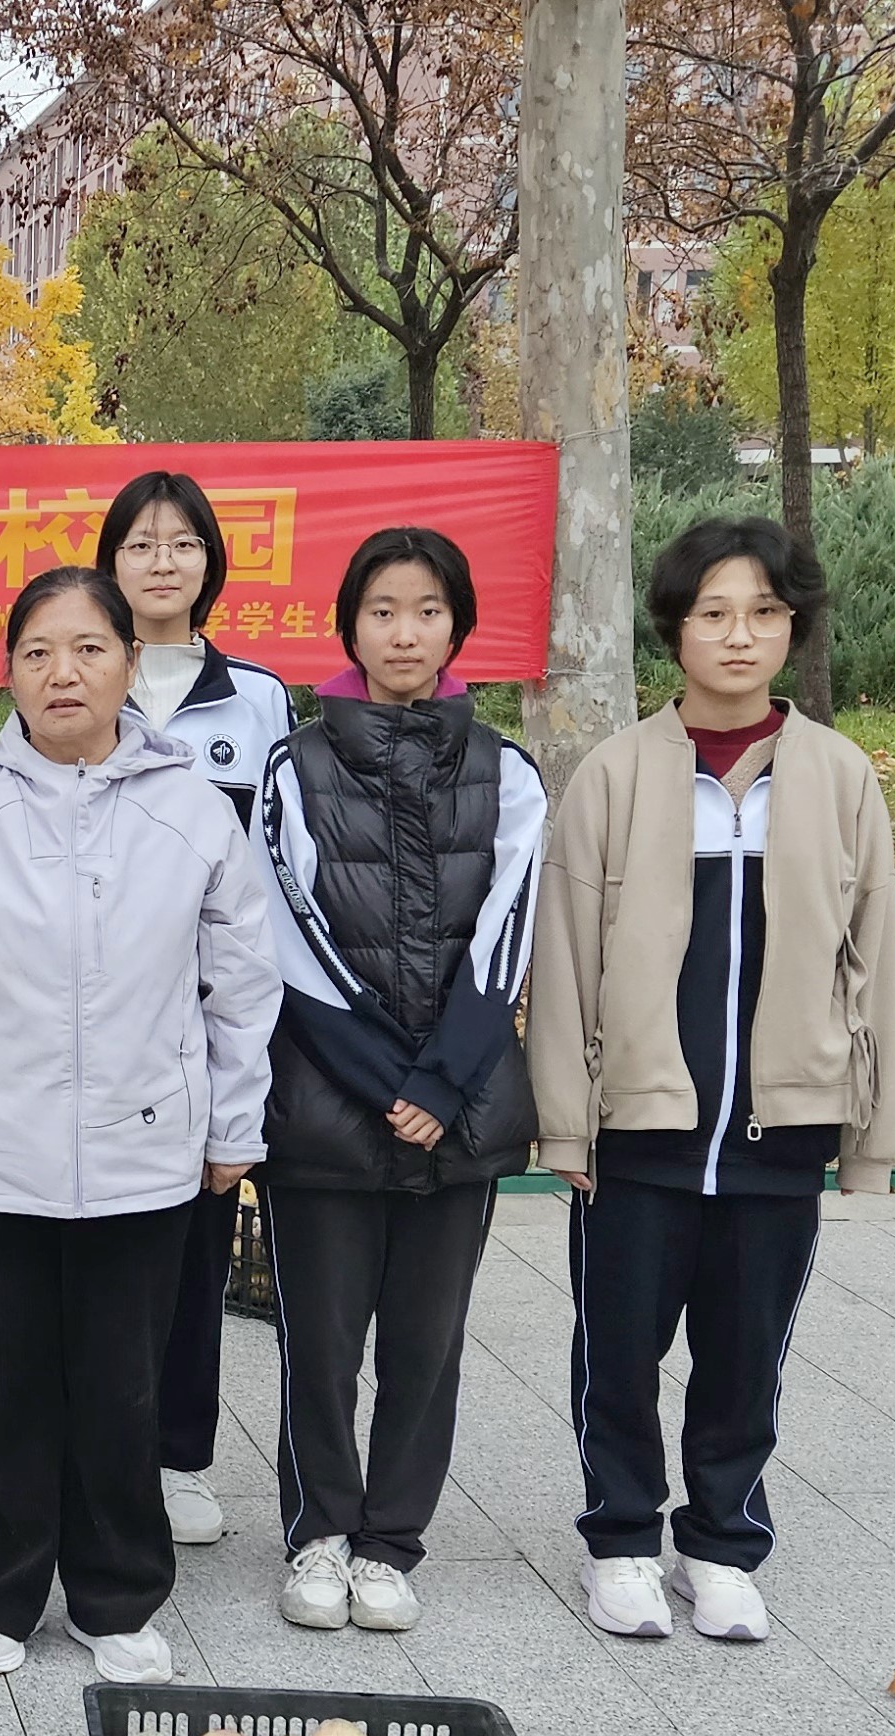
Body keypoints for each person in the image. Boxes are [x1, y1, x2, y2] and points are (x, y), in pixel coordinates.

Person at [0, 567, 280, 1681]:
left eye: (89, 649)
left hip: (146, 1157)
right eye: (37, 651)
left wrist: (231, 1125)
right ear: (6, 673)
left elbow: (241, 982)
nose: (63, 673)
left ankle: (115, 1596)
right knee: (5, 1389)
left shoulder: (189, 809)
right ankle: (3, 1593)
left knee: (121, 1390)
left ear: (129, 665)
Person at [529, 517, 895, 1646]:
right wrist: (565, 1126)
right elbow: (563, 964)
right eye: (713, 614)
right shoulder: (616, 774)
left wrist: (869, 1135)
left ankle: (720, 1545)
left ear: (792, 628)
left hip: (779, 1131)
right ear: (674, 629)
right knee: (617, 1351)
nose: (739, 636)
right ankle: (619, 1541)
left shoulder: (836, 776)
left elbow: (874, 957)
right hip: (638, 1133)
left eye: (763, 614)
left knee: (745, 1356)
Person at [254, 526, 543, 1636]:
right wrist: (391, 1082)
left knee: (427, 1345)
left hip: (459, 1111)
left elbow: (506, 935)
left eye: (426, 611)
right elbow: (287, 935)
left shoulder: (507, 771)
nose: (404, 633)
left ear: (456, 625)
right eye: (381, 611)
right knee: (319, 1345)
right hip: (328, 1104)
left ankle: (388, 1544)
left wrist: (443, 1081)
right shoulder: (294, 766)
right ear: (350, 626)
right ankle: (320, 1533)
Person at [99, 470, 295, 1551]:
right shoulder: (84, 678)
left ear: (211, 562)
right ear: (110, 562)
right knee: (105, 1256)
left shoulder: (256, 701)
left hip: (209, 1022)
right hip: (99, 1021)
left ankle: (178, 1457)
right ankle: (104, 1449)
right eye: (139, 544)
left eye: (181, 543)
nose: (161, 562)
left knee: (195, 1249)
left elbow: (278, 871)